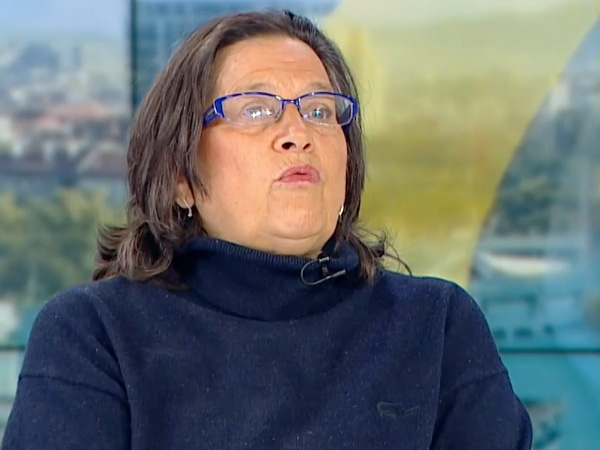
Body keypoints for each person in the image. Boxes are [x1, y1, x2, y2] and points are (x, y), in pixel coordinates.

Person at [2, 10, 532, 450]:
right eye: (255, 110)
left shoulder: (437, 327)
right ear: (181, 177)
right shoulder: (94, 336)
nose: (297, 133)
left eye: (320, 110)